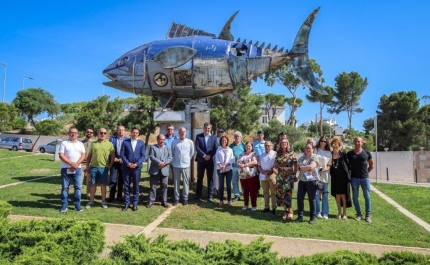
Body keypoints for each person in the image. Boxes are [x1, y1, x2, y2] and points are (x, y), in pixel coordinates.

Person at [86, 128, 115, 209]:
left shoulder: (109, 144)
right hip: (94, 167)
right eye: (101, 133)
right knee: (93, 184)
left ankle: (103, 201)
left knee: (103, 185)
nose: (103, 134)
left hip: (104, 168)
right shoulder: (93, 144)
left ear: (106, 134)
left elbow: (113, 155)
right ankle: (91, 201)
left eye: (104, 133)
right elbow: (89, 156)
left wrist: (110, 165)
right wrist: (88, 165)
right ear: (98, 133)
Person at [58, 128, 86, 212]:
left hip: (77, 169)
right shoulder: (64, 143)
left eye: (75, 133)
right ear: (68, 133)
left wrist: (76, 164)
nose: (73, 134)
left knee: (78, 187)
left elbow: (83, 156)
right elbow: (61, 155)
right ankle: (64, 205)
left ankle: (77, 205)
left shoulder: (80, 144)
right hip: (66, 168)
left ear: (77, 134)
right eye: (71, 132)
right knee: (65, 188)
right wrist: (71, 163)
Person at [347, 137, 374, 223]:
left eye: (359, 141)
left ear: (362, 143)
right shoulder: (350, 154)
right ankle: (358, 214)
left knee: (367, 196)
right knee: (355, 197)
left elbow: (371, 165)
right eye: (355, 141)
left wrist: (366, 173)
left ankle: (368, 215)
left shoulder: (367, 153)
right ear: (354, 143)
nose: (357, 143)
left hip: (364, 178)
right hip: (354, 178)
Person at [120, 127, 146, 211]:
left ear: (138, 134)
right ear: (131, 133)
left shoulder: (141, 143)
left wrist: (137, 164)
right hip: (127, 168)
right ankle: (126, 203)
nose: (135, 134)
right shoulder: (125, 142)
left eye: (136, 133)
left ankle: (135, 204)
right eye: (133, 132)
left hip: (136, 168)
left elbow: (143, 156)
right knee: (126, 186)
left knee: (136, 186)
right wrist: (128, 163)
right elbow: (122, 154)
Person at [273, 138, 297, 220]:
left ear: (288, 143)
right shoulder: (278, 153)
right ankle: (285, 211)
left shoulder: (292, 153)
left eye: (285, 142)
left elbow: (295, 165)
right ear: (280, 144)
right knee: (281, 194)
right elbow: (275, 164)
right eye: (282, 143)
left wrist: (294, 174)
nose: (284, 144)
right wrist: (274, 169)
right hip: (280, 176)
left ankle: (290, 211)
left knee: (288, 193)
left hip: (289, 176)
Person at [295, 143, 320, 224]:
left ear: (313, 149)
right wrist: (306, 169)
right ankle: (300, 217)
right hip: (302, 181)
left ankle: (312, 217)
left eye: (309, 148)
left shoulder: (314, 157)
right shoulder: (302, 157)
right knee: (299, 198)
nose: (308, 150)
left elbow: (312, 166)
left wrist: (302, 168)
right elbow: (297, 168)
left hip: (311, 182)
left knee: (311, 199)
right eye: (306, 148)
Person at [147, 134, 172, 208]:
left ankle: (164, 202)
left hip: (164, 170)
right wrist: (159, 163)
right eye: (161, 139)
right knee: (153, 186)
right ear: (157, 140)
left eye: (164, 140)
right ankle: (151, 201)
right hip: (155, 170)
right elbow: (151, 156)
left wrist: (164, 163)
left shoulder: (168, 148)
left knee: (164, 186)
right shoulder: (153, 147)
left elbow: (170, 157)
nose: (162, 141)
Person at [194, 122, 218, 203]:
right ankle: (198, 196)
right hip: (201, 160)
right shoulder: (198, 136)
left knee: (210, 178)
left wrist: (209, 156)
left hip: (210, 160)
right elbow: (197, 147)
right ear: (203, 128)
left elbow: (215, 148)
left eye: (209, 128)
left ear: (210, 129)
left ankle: (210, 196)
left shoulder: (214, 137)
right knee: (199, 178)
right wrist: (204, 156)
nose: (207, 129)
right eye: (206, 128)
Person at [171, 127, 194, 206]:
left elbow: (191, 153)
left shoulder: (190, 142)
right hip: (176, 165)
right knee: (176, 182)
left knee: (185, 182)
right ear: (178, 133)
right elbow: (172, 152)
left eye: (184, 131)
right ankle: (176, 198)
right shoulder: (175, 142)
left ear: (186, 132)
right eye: (181, 131)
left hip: (186, 165)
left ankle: (185, 198)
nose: (182, 133)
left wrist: (187, 159)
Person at [330, 138, 352, 220]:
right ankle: (339, 213)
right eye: (334, 145)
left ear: (339, 146)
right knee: (337, 196)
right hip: (335, 178)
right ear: (332, 146)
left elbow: (349, 166)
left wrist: (349, 176)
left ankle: (344, 213)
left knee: (343, 195)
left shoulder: (343, 155)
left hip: (344, 178)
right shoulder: (330, 155)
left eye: (337, 145)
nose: (335, 147)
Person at [108, 125, 128, 202]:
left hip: (123, 163)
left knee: (121, 180)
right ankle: (111, 196)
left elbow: (128, 152)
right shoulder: (112, 139)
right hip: (114, 162)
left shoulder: (127, 140)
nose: (121, 131)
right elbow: (108, 151)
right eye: (119, 130)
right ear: (117, 131)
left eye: (122, 130)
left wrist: (123, 159)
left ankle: (119, 196)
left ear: (125, 131)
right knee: (113, 180)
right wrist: (113, 158)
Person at [237, 141, 259, 211]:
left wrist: (246, 165)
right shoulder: (242, 154)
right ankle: (245, 205)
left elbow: (255, 162)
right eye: (247, 146)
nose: (248, 147)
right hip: (243, 174)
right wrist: (240, 165)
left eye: (249, 146)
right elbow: (238, 162)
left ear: (252, 147)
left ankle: (254, 206)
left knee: (252, 190)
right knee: (245, 190)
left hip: (252, 175)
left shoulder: (254, 154)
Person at [314, 136, 332, 220]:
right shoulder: (316, 150)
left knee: (325, 194)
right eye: (322, 141)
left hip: (325, 175)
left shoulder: (329, 153)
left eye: (325, 141)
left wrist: (326, 169)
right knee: (316, 194)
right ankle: (317, 212)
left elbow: (329, 164)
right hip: (316, 175)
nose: (323, 142)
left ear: (327, 142)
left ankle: (325, 213)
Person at [257, 141, 277, 214]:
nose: (267, 147)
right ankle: (266, 207)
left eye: (269, 145)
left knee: (273, 192)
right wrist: (261, 171)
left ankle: (274, 208)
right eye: (266, 146)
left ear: (272, 146)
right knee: (265, 192)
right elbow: (258, 165)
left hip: (272, 174)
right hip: (263, 175)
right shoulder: (262, 155)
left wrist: (270, 170)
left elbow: (276, 164)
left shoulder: (275, 154)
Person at [215, 135, 235, 206]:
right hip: (220, 169)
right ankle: (221, 200)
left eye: (225, 140)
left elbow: (232, 159)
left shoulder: (230, 150)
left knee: (229, 185)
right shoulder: (218, 149)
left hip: (228, 169)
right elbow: (217, 159)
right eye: (223, 140)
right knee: (221, 185)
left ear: (227, 142)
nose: (224, 141)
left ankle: (229, 200)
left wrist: (225, 166)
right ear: (221, 141)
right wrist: (221, 167)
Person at [229, 131, 246, 202]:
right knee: (234, 181)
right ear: (234, 137)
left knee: (243, 180)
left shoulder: (243, 145)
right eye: (235, 136)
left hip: (242, 167)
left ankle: (245, 194)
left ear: (241, 137)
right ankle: (236, 195)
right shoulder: (231, 146)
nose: (237, 137)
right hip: (234, 167)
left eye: (238, 136)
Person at [81, 128, 94, 199]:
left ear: (92, 134)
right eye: (88, 132)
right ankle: (78, 194)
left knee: (89, 181)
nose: (89, 133)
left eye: (91, 132)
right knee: (80, 180)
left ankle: (88, 194)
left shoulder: (94, 143)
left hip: (91, 164)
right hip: (82, 164)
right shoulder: (80, 143)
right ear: (85, 133)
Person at [213, 128, 225, 197]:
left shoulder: (225, 139)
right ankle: (215, 189)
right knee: (215, 175)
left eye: (221, 131)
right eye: (219, 131)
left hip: (223, 161)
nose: (220, 133)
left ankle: (221, 190)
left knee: (222, 176)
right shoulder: (214, 139)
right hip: (215, 160)